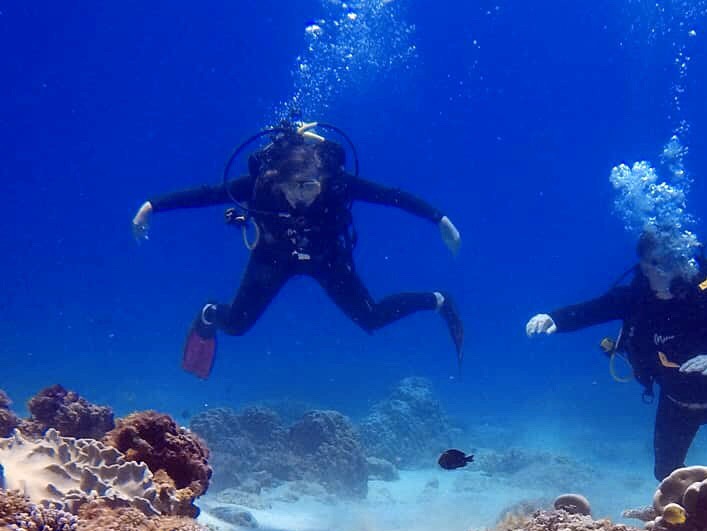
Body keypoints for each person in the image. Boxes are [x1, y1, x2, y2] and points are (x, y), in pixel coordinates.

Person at [132, 120, 464, 378]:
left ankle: (439, 301)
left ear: (322, 179)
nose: (302, 196)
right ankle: (208, 313)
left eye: (310, 187)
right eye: (293, 189)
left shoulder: (338, 185)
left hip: (328, 257)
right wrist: (152, 206)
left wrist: (440, 219)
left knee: (371, 317)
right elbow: (205, 194)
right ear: (276, 181)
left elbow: (394, 196)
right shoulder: (260, 187)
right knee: (235, 325)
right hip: (273, 257)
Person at [526, 233, 707, 480]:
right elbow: (593, 310)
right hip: (676, 403)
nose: (663, 270)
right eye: (655, 263)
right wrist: (554, 318)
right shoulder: (636, 299)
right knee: (667, 476)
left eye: (670, 261)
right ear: (643, 266)